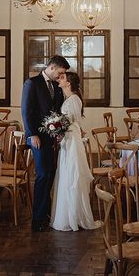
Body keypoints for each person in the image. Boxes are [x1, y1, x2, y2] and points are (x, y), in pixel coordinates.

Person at [21, 55, 70, 232]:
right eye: (60, 72)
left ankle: (46, 214)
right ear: (52, 67)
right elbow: (26, 111)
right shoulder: (32, 83)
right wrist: (32, 134)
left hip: (52, 138)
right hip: (37, 138)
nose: (61, 76)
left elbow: (58, 111)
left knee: (50, 173)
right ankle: (37, 219)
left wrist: (59, 132)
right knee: (42, 174)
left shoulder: (56, 87)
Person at [50, 72, 100, 231]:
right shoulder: (72, 99)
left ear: (69, 83)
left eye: (63, 78)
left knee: (72, 174)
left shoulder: (72, 100)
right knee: (68, 173)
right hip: (70, 140)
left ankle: (73, 215)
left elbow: (68, 123)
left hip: (71, 141)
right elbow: (72, 122)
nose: (60, 79)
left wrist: (56, 128)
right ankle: (69, 214)